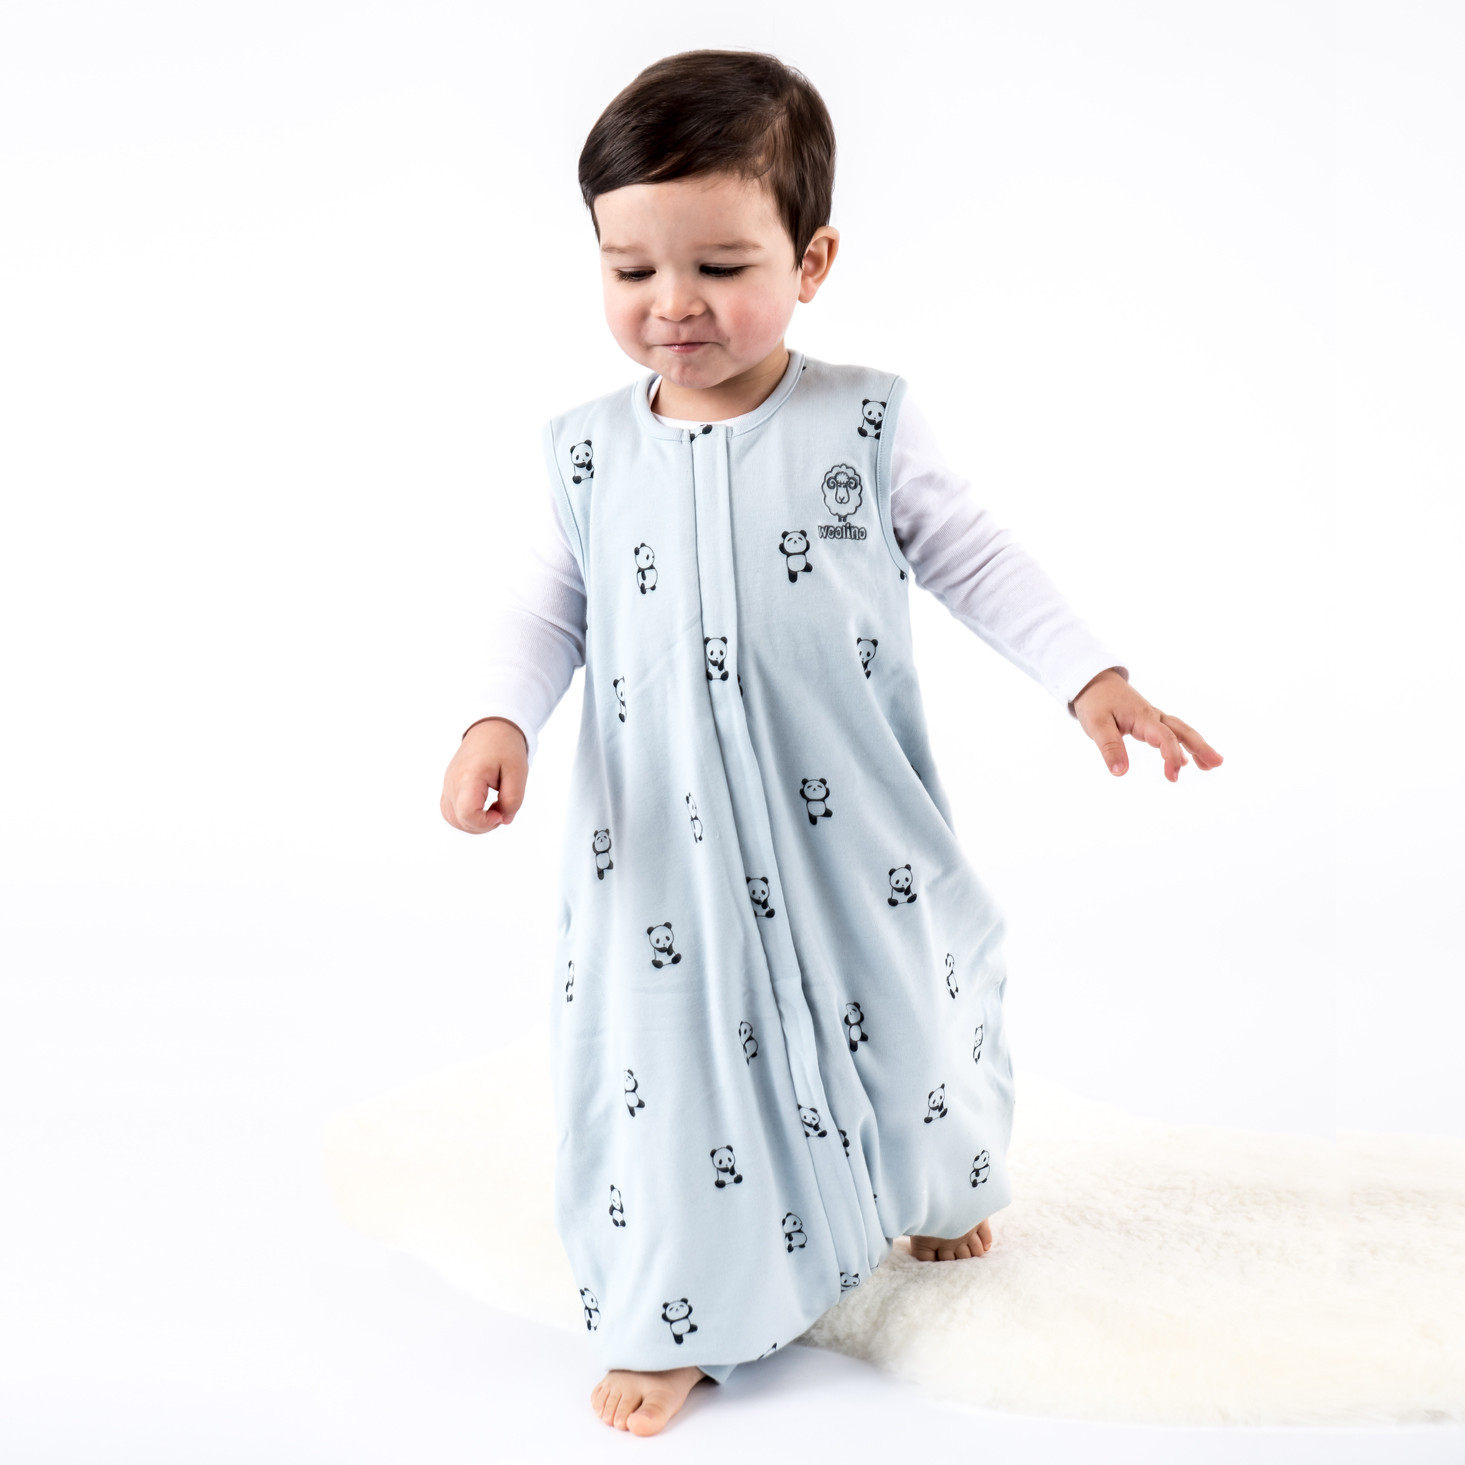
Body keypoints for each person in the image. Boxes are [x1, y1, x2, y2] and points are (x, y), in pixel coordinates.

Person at [440, 48, 1222, 1437]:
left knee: (912, 1012)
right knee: (675, 1063)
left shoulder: (860, 422)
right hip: (666, 847)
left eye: (720, 266)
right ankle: (681, 1304)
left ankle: (931, 1183)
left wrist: (1089, 676)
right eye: (631, 270)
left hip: (849, 820)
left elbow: (975, 556)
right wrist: (499, 718)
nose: (673, 304)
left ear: (812, 260)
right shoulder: (586, 454)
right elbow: (547, 608)